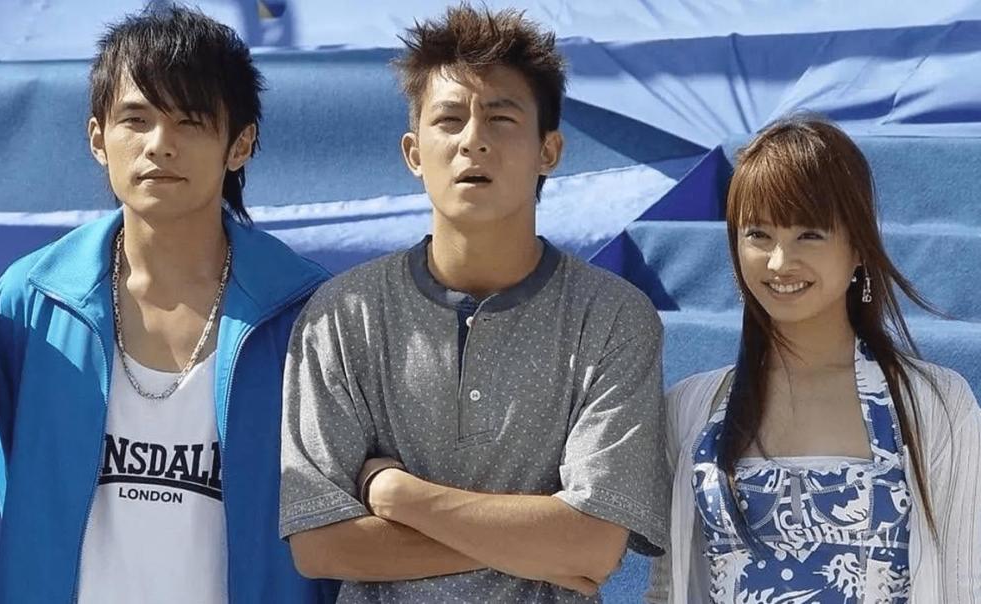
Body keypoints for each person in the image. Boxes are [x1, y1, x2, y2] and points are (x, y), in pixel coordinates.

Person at [279, 5, 669, 602]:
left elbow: (594, 545)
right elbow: (320, 547)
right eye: (449, 119)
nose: (473, 140)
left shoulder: (613, 318)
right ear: (414, 152)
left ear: (549, 151)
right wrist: (541, 548)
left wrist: (396, 494)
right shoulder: (341, 316)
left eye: (501, 118)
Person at [0, 7, 339, 603]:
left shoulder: (308, 315)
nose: (159, 145)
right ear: (97, 138)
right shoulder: (27, 302)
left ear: (240, 143)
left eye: (190, 121)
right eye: (136, 119)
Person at [647, 116, 981, 603]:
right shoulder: (692, 409)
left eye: (809, 234)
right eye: (758, 234)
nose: (780, 262)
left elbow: (968, 583)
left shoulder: (935, 405)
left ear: (859, 247)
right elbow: (665, 588)